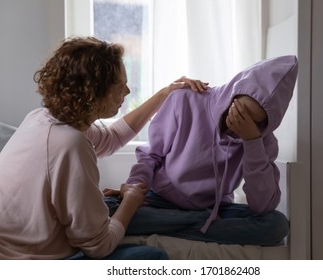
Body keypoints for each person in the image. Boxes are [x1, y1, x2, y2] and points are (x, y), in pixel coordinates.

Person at [0, 36, 208, 260]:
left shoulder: (42, 118)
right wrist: (131, 199)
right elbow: (99, 246)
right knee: (153, 257)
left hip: (2, 249)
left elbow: (112, 137)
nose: (128, 92)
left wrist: (164, 94)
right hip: (22, 260)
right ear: (95, 92)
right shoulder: (70, 144)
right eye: (121, 86)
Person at [104, 55, 298, 246]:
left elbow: (262, 205)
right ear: (233, 94)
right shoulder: (185, 99)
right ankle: (197, 224)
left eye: (254, 121)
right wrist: (134, 187)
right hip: (160, 200)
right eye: (240, 111)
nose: (240, 122)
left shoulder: (261, 140)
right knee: (105, 208)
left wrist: (252, 142)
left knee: (276, 224)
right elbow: (150, 154)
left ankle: (180, 225)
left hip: (214, 208)